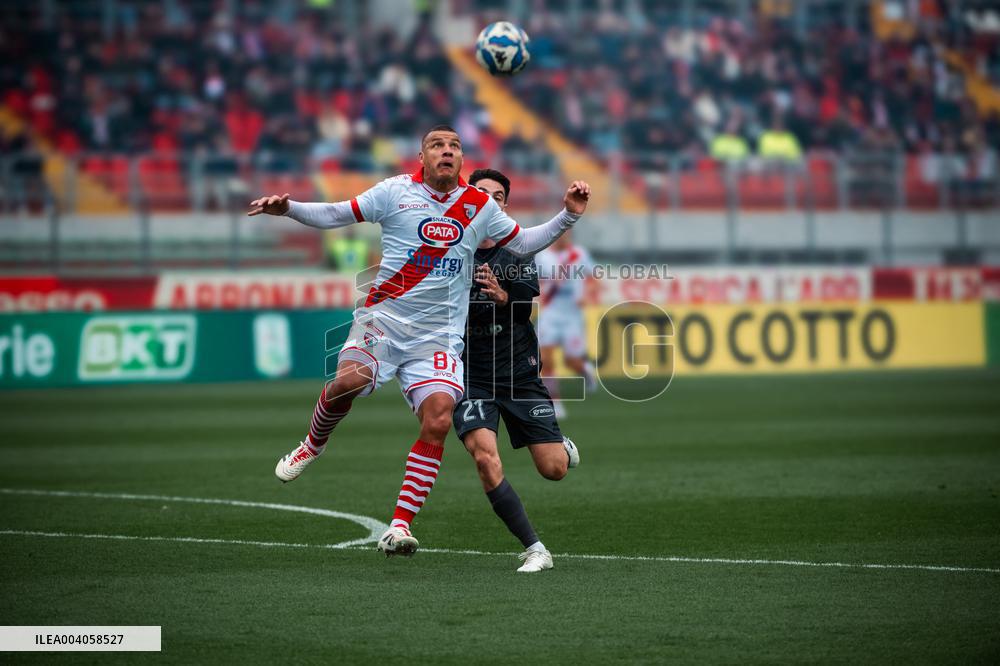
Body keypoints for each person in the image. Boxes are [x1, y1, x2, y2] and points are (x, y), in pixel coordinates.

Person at [248, 125, 591, 557]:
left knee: (439, 419)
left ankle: (399, 526)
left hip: (438, 338)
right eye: (437, 145)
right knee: (348, 382)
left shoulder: (479, 204)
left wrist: (569, 215)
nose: (447, 151)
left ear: (461, 159)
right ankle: (312, 445)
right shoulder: (394, 191)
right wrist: (289, 209)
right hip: (384, 321)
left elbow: (522, 242)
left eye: (454, 146)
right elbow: (338, 213)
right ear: (422, 157)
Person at [455, 168, 580, 573]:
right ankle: (535, 548)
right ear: (467, 198)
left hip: (519, 373)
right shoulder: (450, 250)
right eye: (480, 192)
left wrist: (502, 296)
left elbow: (524, 308)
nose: (488, 200)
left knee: (553, 469)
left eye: (496, 195)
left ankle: (561, 446)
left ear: (504, 205)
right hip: (470, 377)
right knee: (484, 458)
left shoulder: (517, 249)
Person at [534, 231, 597, 418]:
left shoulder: (578, 254)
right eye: (562, 232)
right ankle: (555, 402)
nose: (564, 236)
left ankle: (584, 370)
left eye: (568, 232)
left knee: (572, 361)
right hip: (550, 313)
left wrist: (587, 294)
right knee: (545, 359)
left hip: (572, 315)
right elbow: (535, 280)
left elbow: (594, 277)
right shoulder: (542, 256)